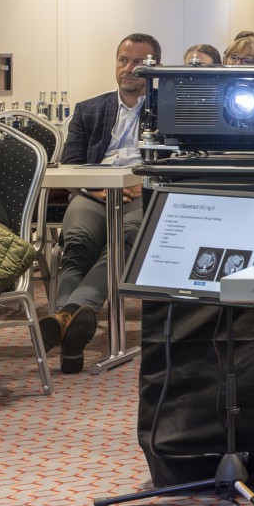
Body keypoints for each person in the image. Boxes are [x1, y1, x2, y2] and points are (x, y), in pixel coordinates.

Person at [40, 34, 160, 375]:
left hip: (140, 194)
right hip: (93, 194)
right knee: (77, 241)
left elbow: (175, 161)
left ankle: (65, 316)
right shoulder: (89, 109)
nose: (129, 68)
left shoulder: (169, 110)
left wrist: (140, 183)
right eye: (123, 59)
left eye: (139, 62)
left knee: (127, 236)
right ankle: (74, 322)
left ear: (155, 67)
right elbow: (71, 163)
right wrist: (95, 190)